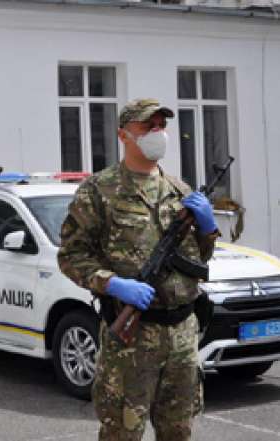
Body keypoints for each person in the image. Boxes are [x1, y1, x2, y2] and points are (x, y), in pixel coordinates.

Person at [57, 99, 220, 441]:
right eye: (148, 126)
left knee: (179, 431)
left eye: (161, 125)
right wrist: (113, 284)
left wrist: (207, 228)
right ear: (123, 135)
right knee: (121, 432)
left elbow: (199, 259)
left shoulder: (180, 191)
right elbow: (71, 256)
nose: (157, 132)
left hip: (182, 336)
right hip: (132, 336)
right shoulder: (99, 190)